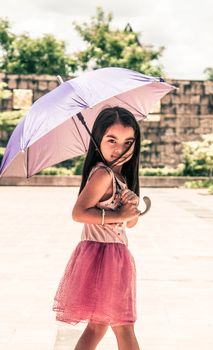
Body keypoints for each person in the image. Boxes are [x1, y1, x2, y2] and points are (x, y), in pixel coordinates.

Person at [52, 106, 142, 350]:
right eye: (111, 140)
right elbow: (78, 213)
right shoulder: (102, 174)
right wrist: (117, 214)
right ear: (98, 141)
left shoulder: (120, 179)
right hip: (105, 257)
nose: (119, 148)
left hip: (113, 255)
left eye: (128, 142)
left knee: (97, 326)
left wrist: (130, 207)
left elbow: (129, 223)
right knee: (124, 325)